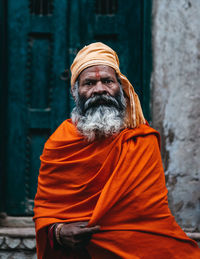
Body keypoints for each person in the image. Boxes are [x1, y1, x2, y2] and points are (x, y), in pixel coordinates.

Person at [33, 42, 200, 259]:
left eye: (107, 81)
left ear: (120, 87)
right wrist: (58, 232)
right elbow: (46, 209)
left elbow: (150, 217)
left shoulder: (141, 140)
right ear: (76, 92)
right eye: (89, 83)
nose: (99, 89)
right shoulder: (60, 143)